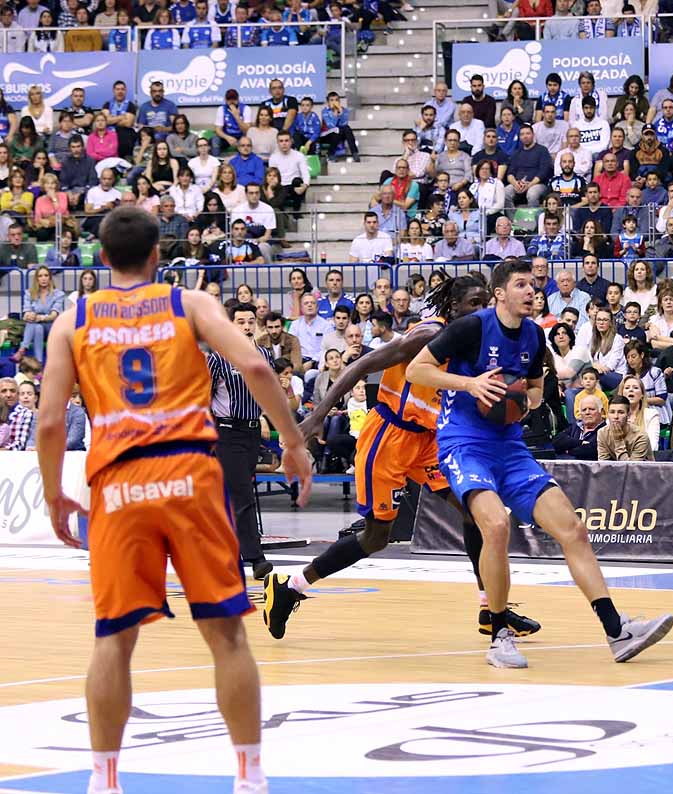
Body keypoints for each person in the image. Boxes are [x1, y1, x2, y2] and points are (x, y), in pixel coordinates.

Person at [35, 206, 312, 794]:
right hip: (189, 475)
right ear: (159, 254)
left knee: (113, 637)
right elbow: (257, 365)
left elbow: (51, 424)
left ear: (102, 261)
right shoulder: (188, 305)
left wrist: (55, 494)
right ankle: (249, 776)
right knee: (226, 632)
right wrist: (292, 442)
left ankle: (105, 781)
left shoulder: (71, 321)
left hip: (118, 483)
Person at [404, 259, 673, 668]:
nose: (531, 291)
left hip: (509, 447)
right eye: (520, 285)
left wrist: (525, 400)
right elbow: (415, 369)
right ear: (500, 294)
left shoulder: (533, 334)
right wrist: (470, 383)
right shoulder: (471, 328)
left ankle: (616, 630)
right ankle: (498, 635)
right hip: (464, 445)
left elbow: (533, 388)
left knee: (573, 530)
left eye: (533, 285)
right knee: (495, 525)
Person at [265, 274, 542, 639]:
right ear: (453, 306)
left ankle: (490, 610)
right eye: (473, 303)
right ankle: (291, 587)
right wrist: (316, 417)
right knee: (377, 537)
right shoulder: (427, 335)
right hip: (390, 435)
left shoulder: (477, 340)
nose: (481, 310)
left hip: (429, 438)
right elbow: (362, 366)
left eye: (483, 303)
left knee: (477, 512)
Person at [208, 303, 277, 580]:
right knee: (243, 495)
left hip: (251, 433)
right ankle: (256, 558)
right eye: (241, 321)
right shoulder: (218, 358)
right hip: (226, 432)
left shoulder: (264, 356)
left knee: (233, 495)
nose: (247, 326)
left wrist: (266, 420)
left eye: (251, 321)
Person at [597, 394, 652, 461]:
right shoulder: (602, 433)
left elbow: (631, 469)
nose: (616, 416)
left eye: (621, 412)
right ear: (607, 414)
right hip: (614, 471)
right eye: (612, 412)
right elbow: (603, 464)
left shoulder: (640, 436)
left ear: (628, 415)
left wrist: (619, 441)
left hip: (644, 470)